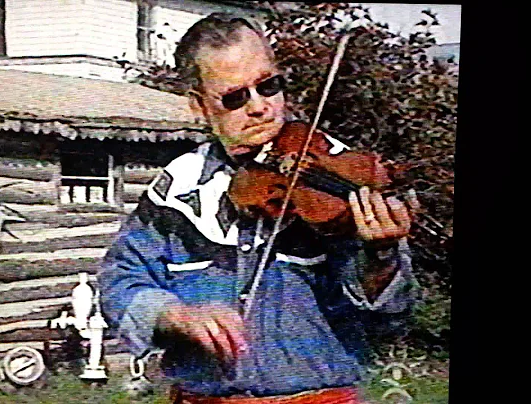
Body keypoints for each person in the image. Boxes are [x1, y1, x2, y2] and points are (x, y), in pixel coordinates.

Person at [98, 13, 420, 404]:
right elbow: (119, 281)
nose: (260, 107)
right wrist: (174, 315)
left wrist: (381, 257)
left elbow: (387, 321)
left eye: (269, 86)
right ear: (199, 107)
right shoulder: (178, 186)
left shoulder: (339, 173)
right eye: (235, 97)